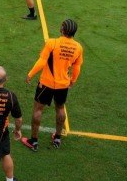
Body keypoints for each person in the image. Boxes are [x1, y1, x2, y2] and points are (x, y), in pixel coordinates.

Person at [22, 19, 83, 152]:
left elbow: (42, 61)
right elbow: (77, 67)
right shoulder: (78, 47)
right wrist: (73, 80)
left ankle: (34, 141)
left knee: (38, 110)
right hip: (63, 85)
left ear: (62, 29)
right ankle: (57, 137)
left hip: (46, 84)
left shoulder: (52, 43)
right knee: (60, 108)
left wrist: (30, 74)